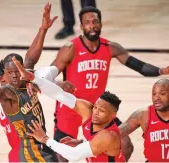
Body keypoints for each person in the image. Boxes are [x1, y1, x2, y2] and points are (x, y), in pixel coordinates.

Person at [28, 5, 169, 161]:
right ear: (81, 26)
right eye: (87, 22)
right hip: (72, 107)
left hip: (98, 110)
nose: (92, 25)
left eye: (95, 21)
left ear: (101, 24)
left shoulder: (110, 47)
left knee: (126, 143)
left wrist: (161, 71)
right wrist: (58, 83)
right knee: (63, 154)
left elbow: (139, 66)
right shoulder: (70, 48)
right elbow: (47, 73)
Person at [0, 3, 59, 162]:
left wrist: (43, 29)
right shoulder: (4, 95)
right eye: (9, 74)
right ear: (3, 79)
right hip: (26, 152)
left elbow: (30, 59)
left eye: (16, 71)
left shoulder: (24, 79)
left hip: (40, 146)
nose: (14, 76)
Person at [11, 57, 125, 162]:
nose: (95, 112)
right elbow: (60, 94)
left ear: (113, 116)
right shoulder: (88, 111)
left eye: (102, 111)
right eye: (96, 107)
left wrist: (45, 139)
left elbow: (74, 155)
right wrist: (33, 77)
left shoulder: (108, 136)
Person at [118, 78, 169, 162]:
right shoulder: (143, 115)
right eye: (154, 94)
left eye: (162, 94)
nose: (157, 98)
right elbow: (115, 134)